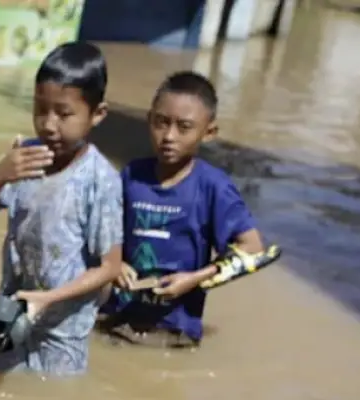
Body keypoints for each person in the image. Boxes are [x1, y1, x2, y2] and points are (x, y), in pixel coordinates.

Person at [0, 41, 124, 376]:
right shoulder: (23, 160)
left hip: (63, 333)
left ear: (98, 115)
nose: (49, 125)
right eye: (40, 109)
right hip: (10, 314)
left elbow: (109, 268)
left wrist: (47, 299)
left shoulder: (100, 180)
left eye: (64, 114)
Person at [100, 71, 265, 345]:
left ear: (209, 132)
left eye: (184, 127)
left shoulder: (213, 187)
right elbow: (103, 232)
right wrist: (115, 264)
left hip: (174, 333)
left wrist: (195, 279)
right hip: (117, 321)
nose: (169, 136)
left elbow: (253, 248)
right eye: (161, 123)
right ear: (149, 119)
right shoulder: (132, 175)